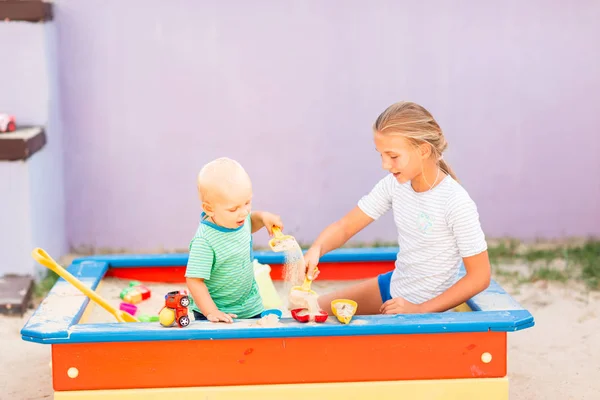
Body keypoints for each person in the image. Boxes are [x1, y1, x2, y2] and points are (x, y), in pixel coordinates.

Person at [304, 101, 491, 315]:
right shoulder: (394, 184)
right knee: (311, 310)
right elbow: (346, 226)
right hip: (391, 288)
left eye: (393, 156)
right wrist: (316, 250)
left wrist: (421, 309)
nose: (385, 164)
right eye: (381, 155)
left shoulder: (455, 202)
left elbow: (480, 277)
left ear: (423, 150)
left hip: (425, 306)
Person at [185, 157, 283, 323]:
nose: (244, 212)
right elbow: (194, 281)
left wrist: (264, 217)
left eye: (247, 202)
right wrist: (211, 312)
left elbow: (253, 220)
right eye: (233, 208)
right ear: (209, 209)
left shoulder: (240, 220)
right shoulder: (205, 241)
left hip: (250, 305)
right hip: (214, 311)